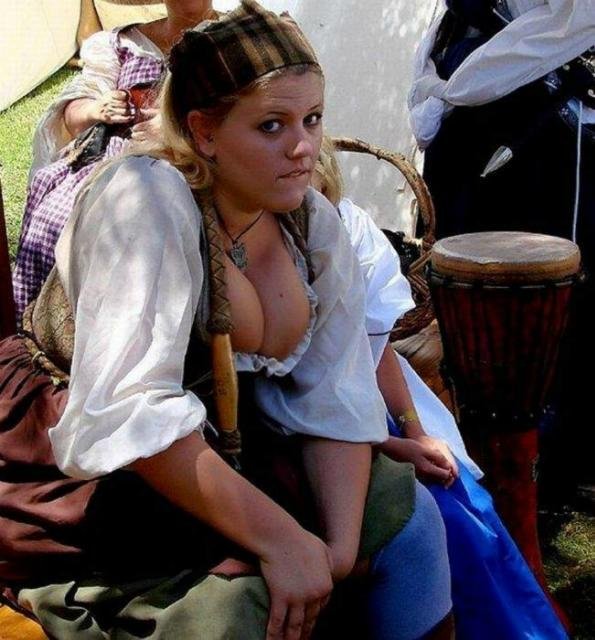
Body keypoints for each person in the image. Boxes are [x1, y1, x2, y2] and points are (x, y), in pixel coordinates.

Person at [0, 3, 454, 639]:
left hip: (235, 433)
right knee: (235, 611)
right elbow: (129, 411)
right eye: (271, 125)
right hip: (88, 458)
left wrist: (337, 551)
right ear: (203, 132)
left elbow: (335, 393)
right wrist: (284, 542)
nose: (303, 146)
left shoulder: (310, 223)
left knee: (411, 524)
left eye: (312, 118)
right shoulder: (145, 200)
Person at [313, 137, 569, 639]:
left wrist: (415, 430)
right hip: (327, 432)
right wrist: (393, 445)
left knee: (470, 501)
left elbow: (375, 348)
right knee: (444, 518)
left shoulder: (346, 226)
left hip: (369, 409)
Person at [408, 0, 595, 500]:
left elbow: (571, 19)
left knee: (551, 289)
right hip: (483, 124)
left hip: (538, 126)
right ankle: (488, 441)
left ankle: (547, 450)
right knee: (475, 277)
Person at [11, 0, 218, 321]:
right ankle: (45, 323)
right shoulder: (123, 44)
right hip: (118, 162)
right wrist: (96, 108)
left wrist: (176, 127)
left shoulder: (238, 35)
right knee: (58, 216)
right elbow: (72, 115)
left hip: (204, 161)